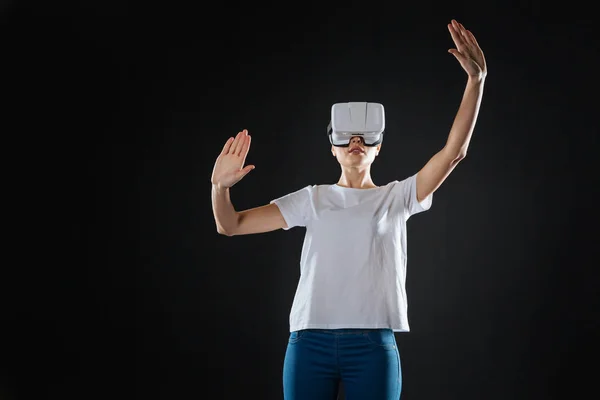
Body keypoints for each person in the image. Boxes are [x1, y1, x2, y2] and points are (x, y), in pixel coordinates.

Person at [211, 19, 487, 400]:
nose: (356, 142)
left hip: (372, 345)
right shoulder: (312, 198)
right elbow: (231, 224)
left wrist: (476, 81)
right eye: (346, 137)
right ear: (332, 147)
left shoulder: (398, 196)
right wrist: (217, 188)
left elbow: (454, 152)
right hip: (309, 343)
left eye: (365, 138)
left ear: (378, 148)